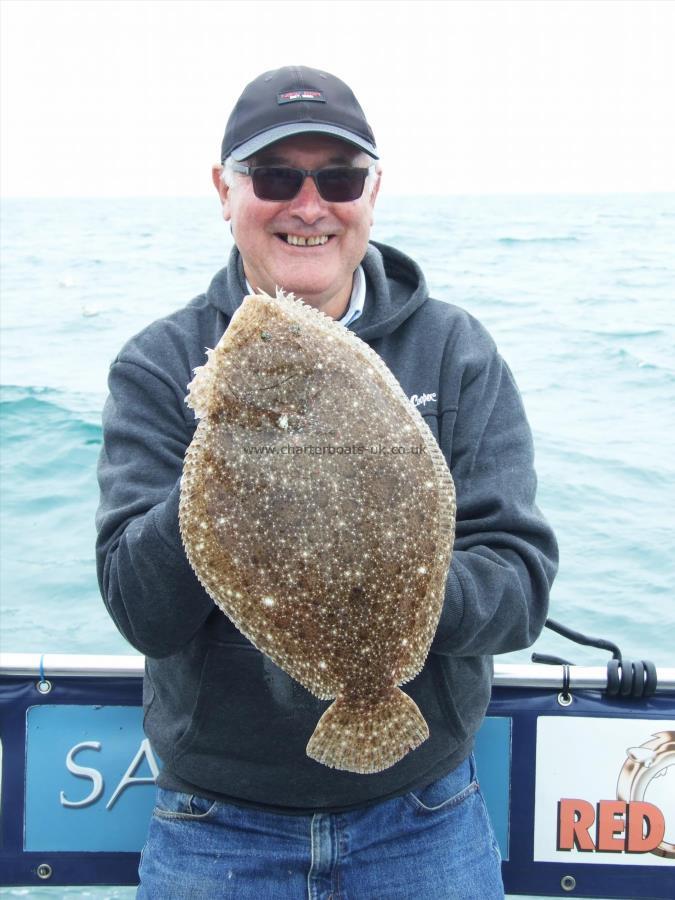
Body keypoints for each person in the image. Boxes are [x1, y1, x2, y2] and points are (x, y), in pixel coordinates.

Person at [96, 65, 558, 899]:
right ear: (224, 190)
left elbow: (519, 589)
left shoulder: (454, 352)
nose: (308, 204)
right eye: (275, 176)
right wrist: (225, 461)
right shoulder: (161, 365)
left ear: (371, 192)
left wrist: (386, 591)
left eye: (337, 177)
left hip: (424, 814)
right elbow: (142, 612)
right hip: (215, 823)